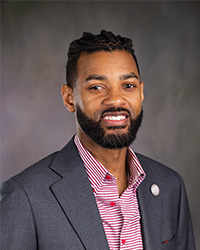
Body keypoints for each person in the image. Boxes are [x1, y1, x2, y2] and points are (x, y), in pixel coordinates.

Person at [1, 30, 195, 250]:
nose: (115, 99)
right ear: (69, 98)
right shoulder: (24, 196)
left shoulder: (169, 186)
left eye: (128, 85)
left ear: (141, 93)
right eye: (96, 87)